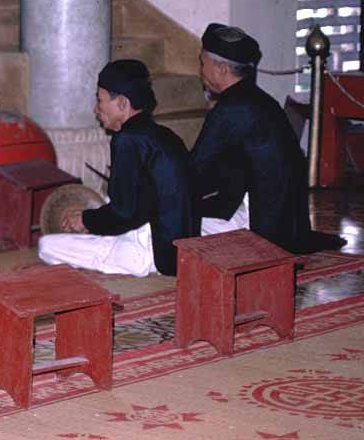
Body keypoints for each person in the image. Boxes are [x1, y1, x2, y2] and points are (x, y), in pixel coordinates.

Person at [38, 59, 200, 277]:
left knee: (47, 245)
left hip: (151, 254)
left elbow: (124, 213)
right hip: (179, 249)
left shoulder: (127, 140)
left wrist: (85, 220)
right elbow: (142, 204)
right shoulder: (165, 135)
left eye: (100, 100)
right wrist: (92, 220)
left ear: (123, 103)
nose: (96, 109)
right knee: (103, 211)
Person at [192, 23, 344, 253]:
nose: (200, 70)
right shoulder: (258, 99)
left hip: (264, 230)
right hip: (285, 221)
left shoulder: (231, 108)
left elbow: (196, 169)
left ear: (221, 68)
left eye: (202, 62)